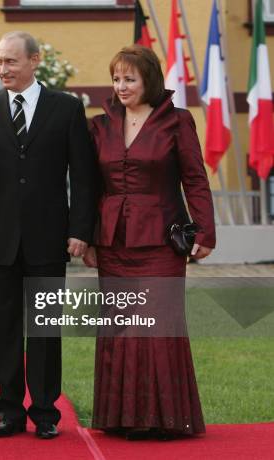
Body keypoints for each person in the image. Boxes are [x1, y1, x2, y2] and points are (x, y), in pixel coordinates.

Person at [0, 31, 97, 439]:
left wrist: (80, 230)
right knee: (2, 328)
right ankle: (9, 411)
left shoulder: (67, 108)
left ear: (34, 61)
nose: (3, 69)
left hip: (49, 237)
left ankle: (44, 412)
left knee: (44, 327)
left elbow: (84, 176)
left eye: (11, 61)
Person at [83, 45, 216, 439]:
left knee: (157, 325)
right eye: (116, 79)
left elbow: (194, 178)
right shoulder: (100, 124)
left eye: (129, 79)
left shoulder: (177, 121)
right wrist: (89, 238)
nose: (121, 87)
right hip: (113, 244)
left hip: (161, 242)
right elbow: (90, 187)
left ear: (149, 80)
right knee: (121, 327)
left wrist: (205, 231)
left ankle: (165, 418)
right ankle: (120, 417)